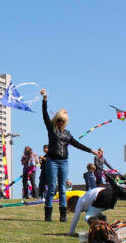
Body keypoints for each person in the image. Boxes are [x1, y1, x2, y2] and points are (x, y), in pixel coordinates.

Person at [41, 89, 101, 223]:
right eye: (59, 120)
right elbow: (45, 115)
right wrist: (45, 100)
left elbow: (77, 144)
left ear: (66, 122)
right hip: (52, 160)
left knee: (62, 188)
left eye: (63, 121)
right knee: (51, 188)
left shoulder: (68, 134)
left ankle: (63, 215)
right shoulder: (52, 129)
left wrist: (91, 151)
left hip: (64, 162)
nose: (61, 122)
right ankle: (48, 215)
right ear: (56, 119)